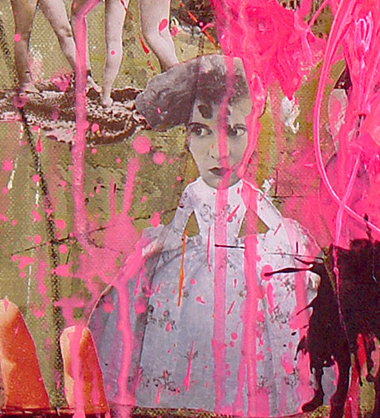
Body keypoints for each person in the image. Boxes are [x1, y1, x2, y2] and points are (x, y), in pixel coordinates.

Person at [90, 55, 320, 416]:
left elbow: (274, 225)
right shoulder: (194, 192)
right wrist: (161, 247)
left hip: (244, 278)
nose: (218, 150)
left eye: (234, 131)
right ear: (186, 137)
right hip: (196, 276)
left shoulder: (249, 194)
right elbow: (179, 229)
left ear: (253, 132)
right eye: (201, 130)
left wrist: (290, 246)